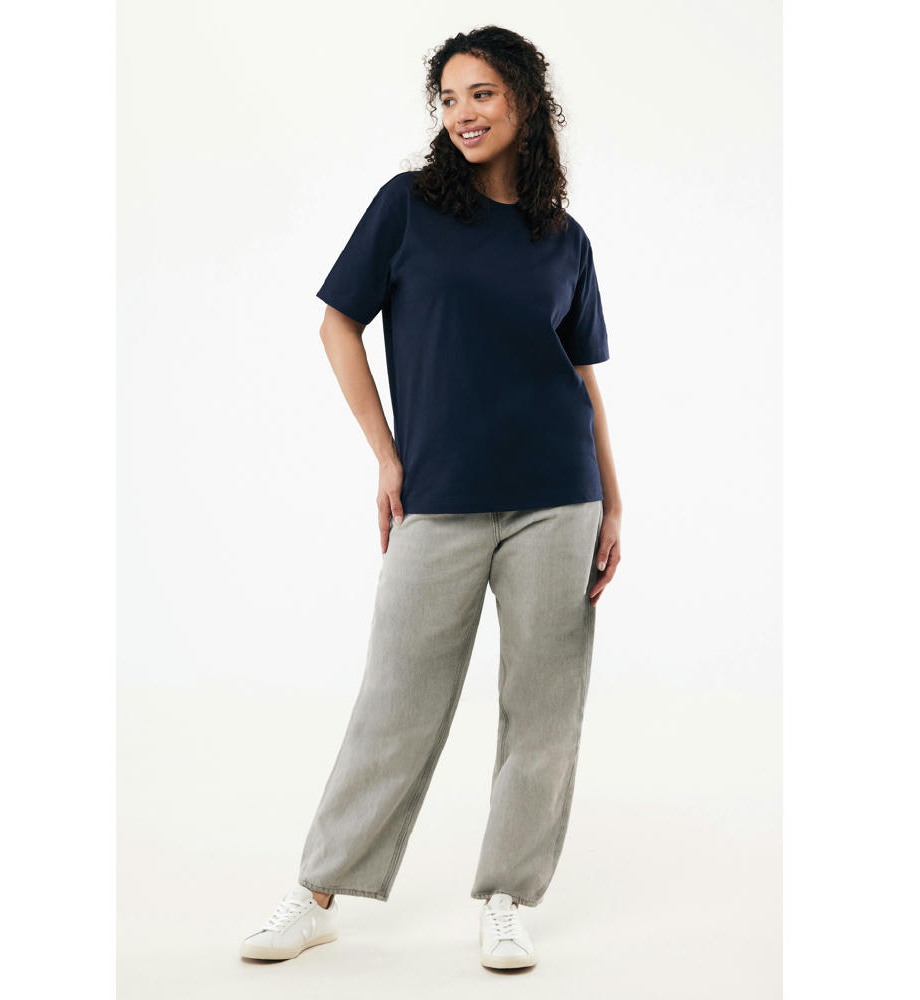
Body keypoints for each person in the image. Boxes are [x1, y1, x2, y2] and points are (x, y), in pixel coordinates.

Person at [240, 25, 622, 971]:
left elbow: (581, 376)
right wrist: (386, 455)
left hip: (557, 498)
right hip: (440, 496)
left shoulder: (563, 239)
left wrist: (613, 502)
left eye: (481, 93)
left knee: (543, 711)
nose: (462, 113)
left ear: (525, 100)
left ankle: (506, 898)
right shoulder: (407, 207)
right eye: (449, 98)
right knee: (396, 701)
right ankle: (317, 894)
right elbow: (337, 326)